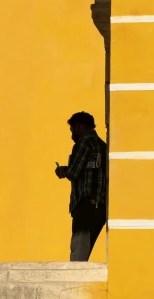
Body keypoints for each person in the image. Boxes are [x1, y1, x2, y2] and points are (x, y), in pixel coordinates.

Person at [55, 111, 107, 262]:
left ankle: (73, 278)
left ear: (79, 126)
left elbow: (73, 172)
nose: (72, 134)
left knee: (78, 247)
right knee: (85, 247)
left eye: (72, 129)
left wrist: (61, 170)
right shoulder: (102, 145)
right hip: (100, 204)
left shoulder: (84, 142)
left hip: (86, 203)